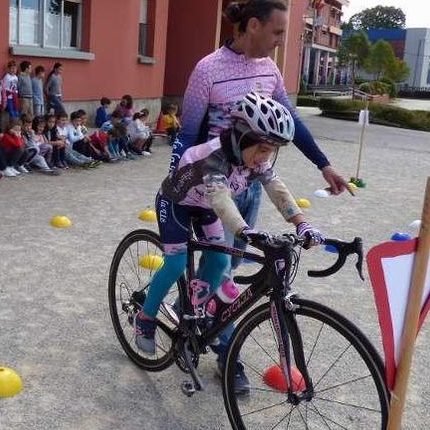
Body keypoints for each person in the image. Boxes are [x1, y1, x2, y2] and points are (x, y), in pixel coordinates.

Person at [135, 93, 325, 395]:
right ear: (241, 135)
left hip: (205, 206)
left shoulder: (254, 158)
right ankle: (145, 318)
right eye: (262, 149)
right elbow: (222, 200)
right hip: (176, 204)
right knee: (173, 264)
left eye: (272, 150)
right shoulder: (213, 157)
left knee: (221, 262)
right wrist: (245, 231)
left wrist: (301, 222)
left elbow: (276, 187)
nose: (265, 156)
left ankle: (194, 304)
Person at [173, 0, 349, 274]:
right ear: (254, 25)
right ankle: (194, 313)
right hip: (215, 182)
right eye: (277, 32)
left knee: (234, 263)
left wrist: (323, 165)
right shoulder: (207, 69)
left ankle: (197, 311)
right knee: (219, 272)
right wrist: (177, 186)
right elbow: (187, 134)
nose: (281, 40)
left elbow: (292, 120)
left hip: (252, 183)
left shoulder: (269, 70)